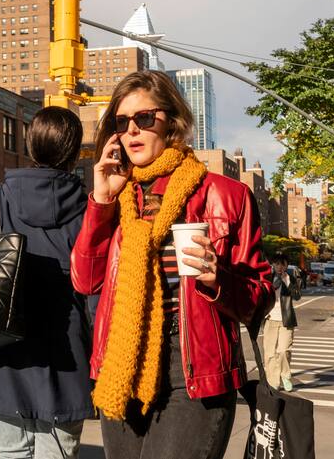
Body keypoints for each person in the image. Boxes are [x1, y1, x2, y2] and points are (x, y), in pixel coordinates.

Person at [70, 70, 272, 459]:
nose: (132, 131)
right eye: (121, 122)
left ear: (172, 121)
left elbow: (259, 298)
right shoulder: (116, 194)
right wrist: (100, 203)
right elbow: (86, 280)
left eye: (144, 118)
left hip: (193, 368)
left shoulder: (226, 195)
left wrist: (218, 279)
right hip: (122, 362)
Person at [0, 107, 94, 458]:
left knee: (10, 452)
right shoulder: (92, 207)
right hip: (68, 353)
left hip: (3, 348)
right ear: (75, 152)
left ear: (30, 146)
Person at [265, 253, 300, 391]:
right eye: (277, 264)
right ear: (273, 265)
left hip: (286, 319)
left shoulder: (290, 278)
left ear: (286, 265)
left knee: (284, 350)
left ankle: (285, 375)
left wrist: (288, 282)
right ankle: (273, 381)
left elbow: (297, 296)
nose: (279, 267)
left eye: (282, 264)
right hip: (270, 319)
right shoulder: (268, 277)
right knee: (270, 353)